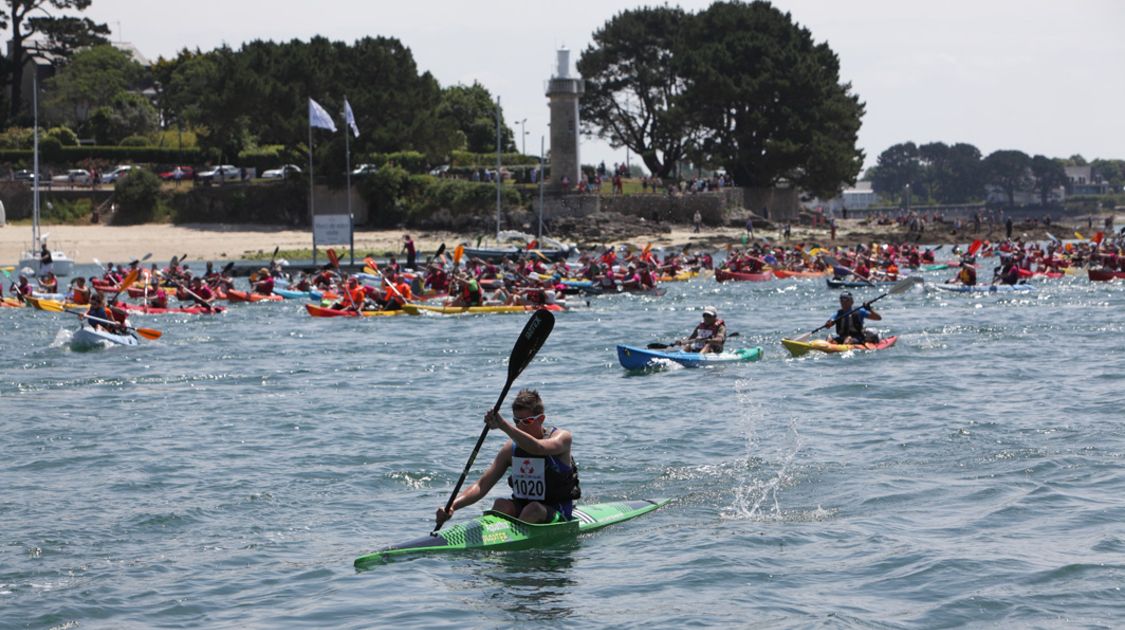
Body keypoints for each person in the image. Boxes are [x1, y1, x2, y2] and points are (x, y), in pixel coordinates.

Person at [435, 389, 580, 527]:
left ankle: (515, 544)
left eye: (526, 421)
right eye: (516, 421)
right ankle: (492, 539)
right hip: (523, 510)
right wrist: (452, 506)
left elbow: (538, 448)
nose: (520, 426)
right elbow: (481, 485)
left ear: (541, 419)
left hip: (558, 511)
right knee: (501, 505)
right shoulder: (510, 449)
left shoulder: (562, 438)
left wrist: (503, 425)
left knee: (533, 509)